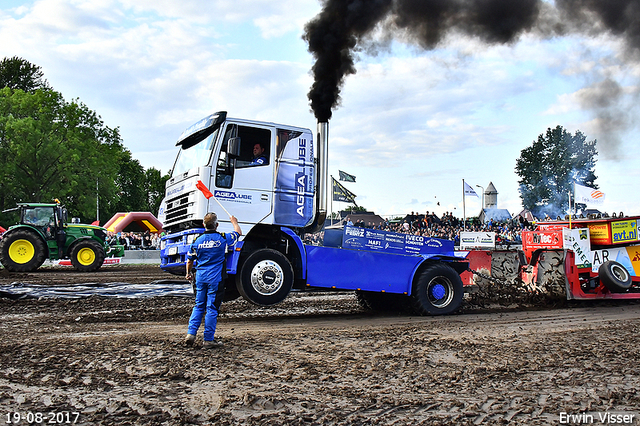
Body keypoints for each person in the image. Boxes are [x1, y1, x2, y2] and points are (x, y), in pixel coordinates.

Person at [184, 212, 242, 349]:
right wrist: (234, 221)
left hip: (200, 278)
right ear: (216, 225)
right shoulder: (222, 238)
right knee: (212, 308)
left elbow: (189, 261)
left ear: (203, 225)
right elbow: (238, 232)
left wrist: (188, 274)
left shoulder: (197, 240)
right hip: (216, 279)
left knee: (198, 306)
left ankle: (190, 334)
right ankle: (208, 339)